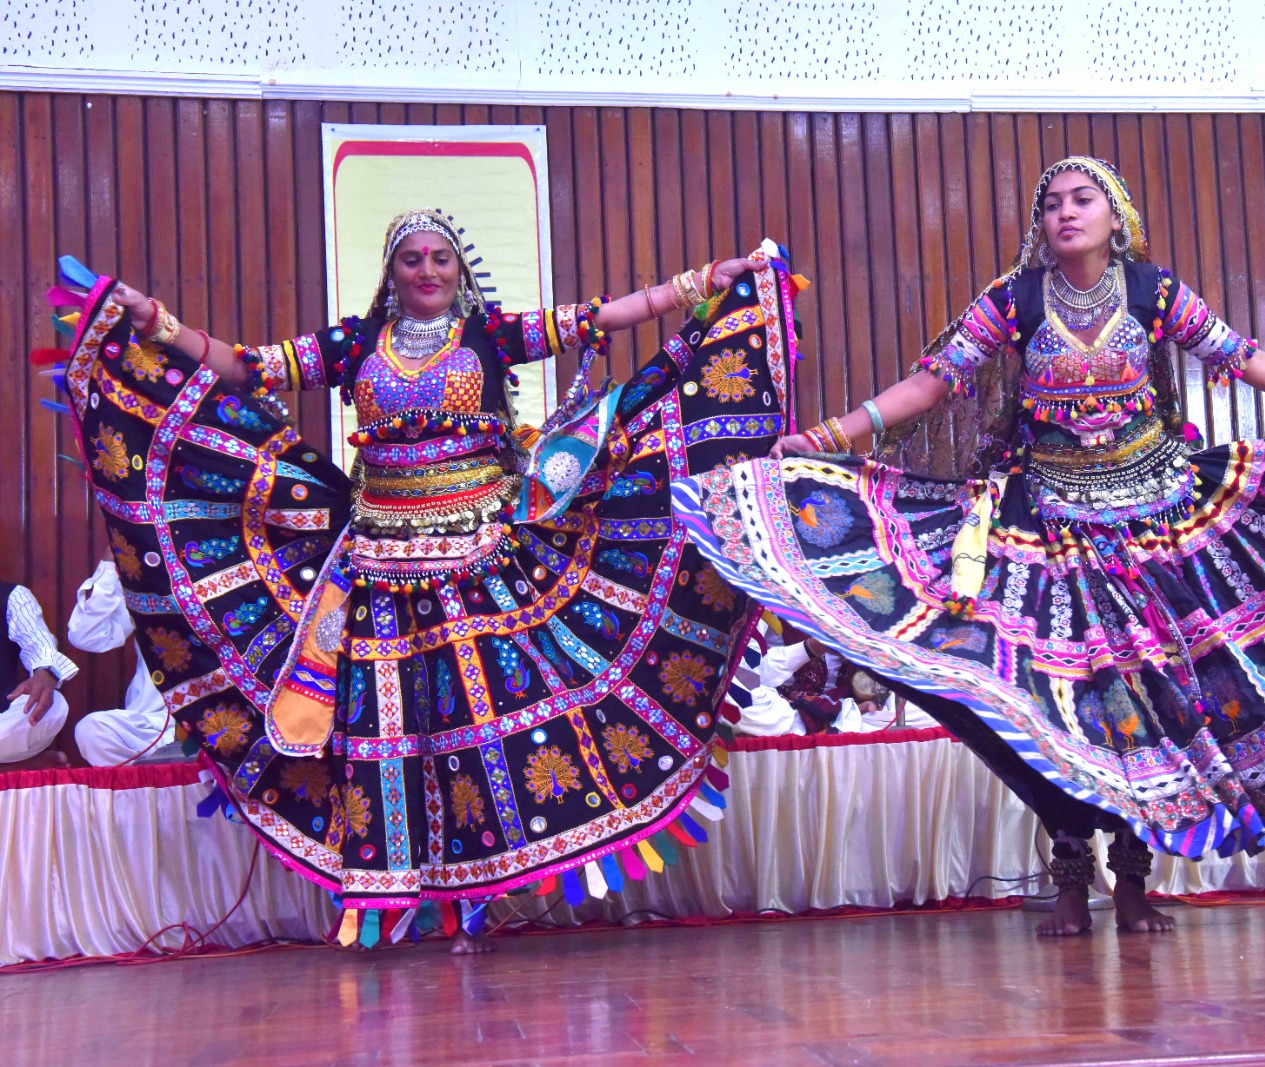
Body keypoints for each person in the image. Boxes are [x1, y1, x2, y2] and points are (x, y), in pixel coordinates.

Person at [674, 157, 1265, 938]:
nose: (1064, 213)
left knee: (1153, 701)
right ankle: (1072, 874)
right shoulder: (1014, 302)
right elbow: (933, 383)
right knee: (1064, 708)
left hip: (1161, 521)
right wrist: (825, 438)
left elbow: (1249, 361)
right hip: (1046, 528)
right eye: (1052, 203)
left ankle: (1134, 877)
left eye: (1081, 200)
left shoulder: (1152, 292)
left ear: (1117, 216)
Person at [48, 210, 801, 953]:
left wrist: (701, 284)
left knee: (485, 730)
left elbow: (598, 317)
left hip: (481, 558)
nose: (429, 271)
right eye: (413, 259)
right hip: (377, 568)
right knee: (391, 733)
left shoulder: (490, 334)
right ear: (392, 271)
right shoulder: (355, 343)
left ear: (458, 268)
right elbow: (250, 366)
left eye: (441, 257)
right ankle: (394, 891)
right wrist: (155, 320)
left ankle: (476, 897)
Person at [68, 553, 177, 765]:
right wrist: (110, 562)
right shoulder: (146, 574)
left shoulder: (244, 574)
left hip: (226, 725)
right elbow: (87, 636)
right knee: (93, 731)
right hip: (154, 728)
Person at [0, 581, 78, 769]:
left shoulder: (13, 596)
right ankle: (10, 769)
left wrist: (45, 672)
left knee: (53, 705)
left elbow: (38, 644)